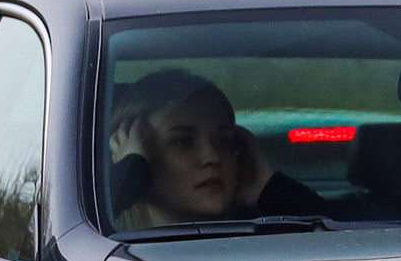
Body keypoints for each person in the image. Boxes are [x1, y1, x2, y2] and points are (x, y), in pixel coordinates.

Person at [106, 68, 328, 230]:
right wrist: (132, 174)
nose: (212, 157)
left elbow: (352, 234)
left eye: (224, 142)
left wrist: (271, 188)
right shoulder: (94, 247)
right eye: (183, 141)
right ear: (129, 149)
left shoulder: (269, 240)